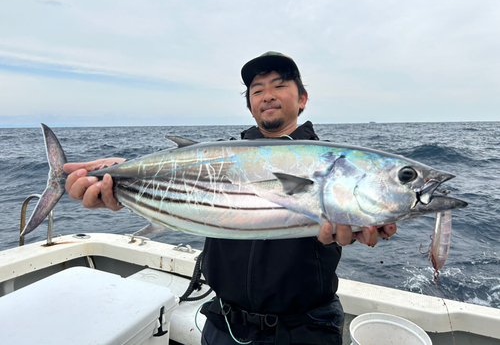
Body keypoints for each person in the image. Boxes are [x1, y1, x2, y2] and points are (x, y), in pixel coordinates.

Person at [63, 51, 397, 345]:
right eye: (257, 90)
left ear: (303, 98)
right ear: (250, 105)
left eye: (279, 85)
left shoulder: (340, 164)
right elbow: (172, 182)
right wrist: (118, 181)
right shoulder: (212, 156)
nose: (267, 95)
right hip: (225, 325)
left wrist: (369, 214)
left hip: (307, 328)